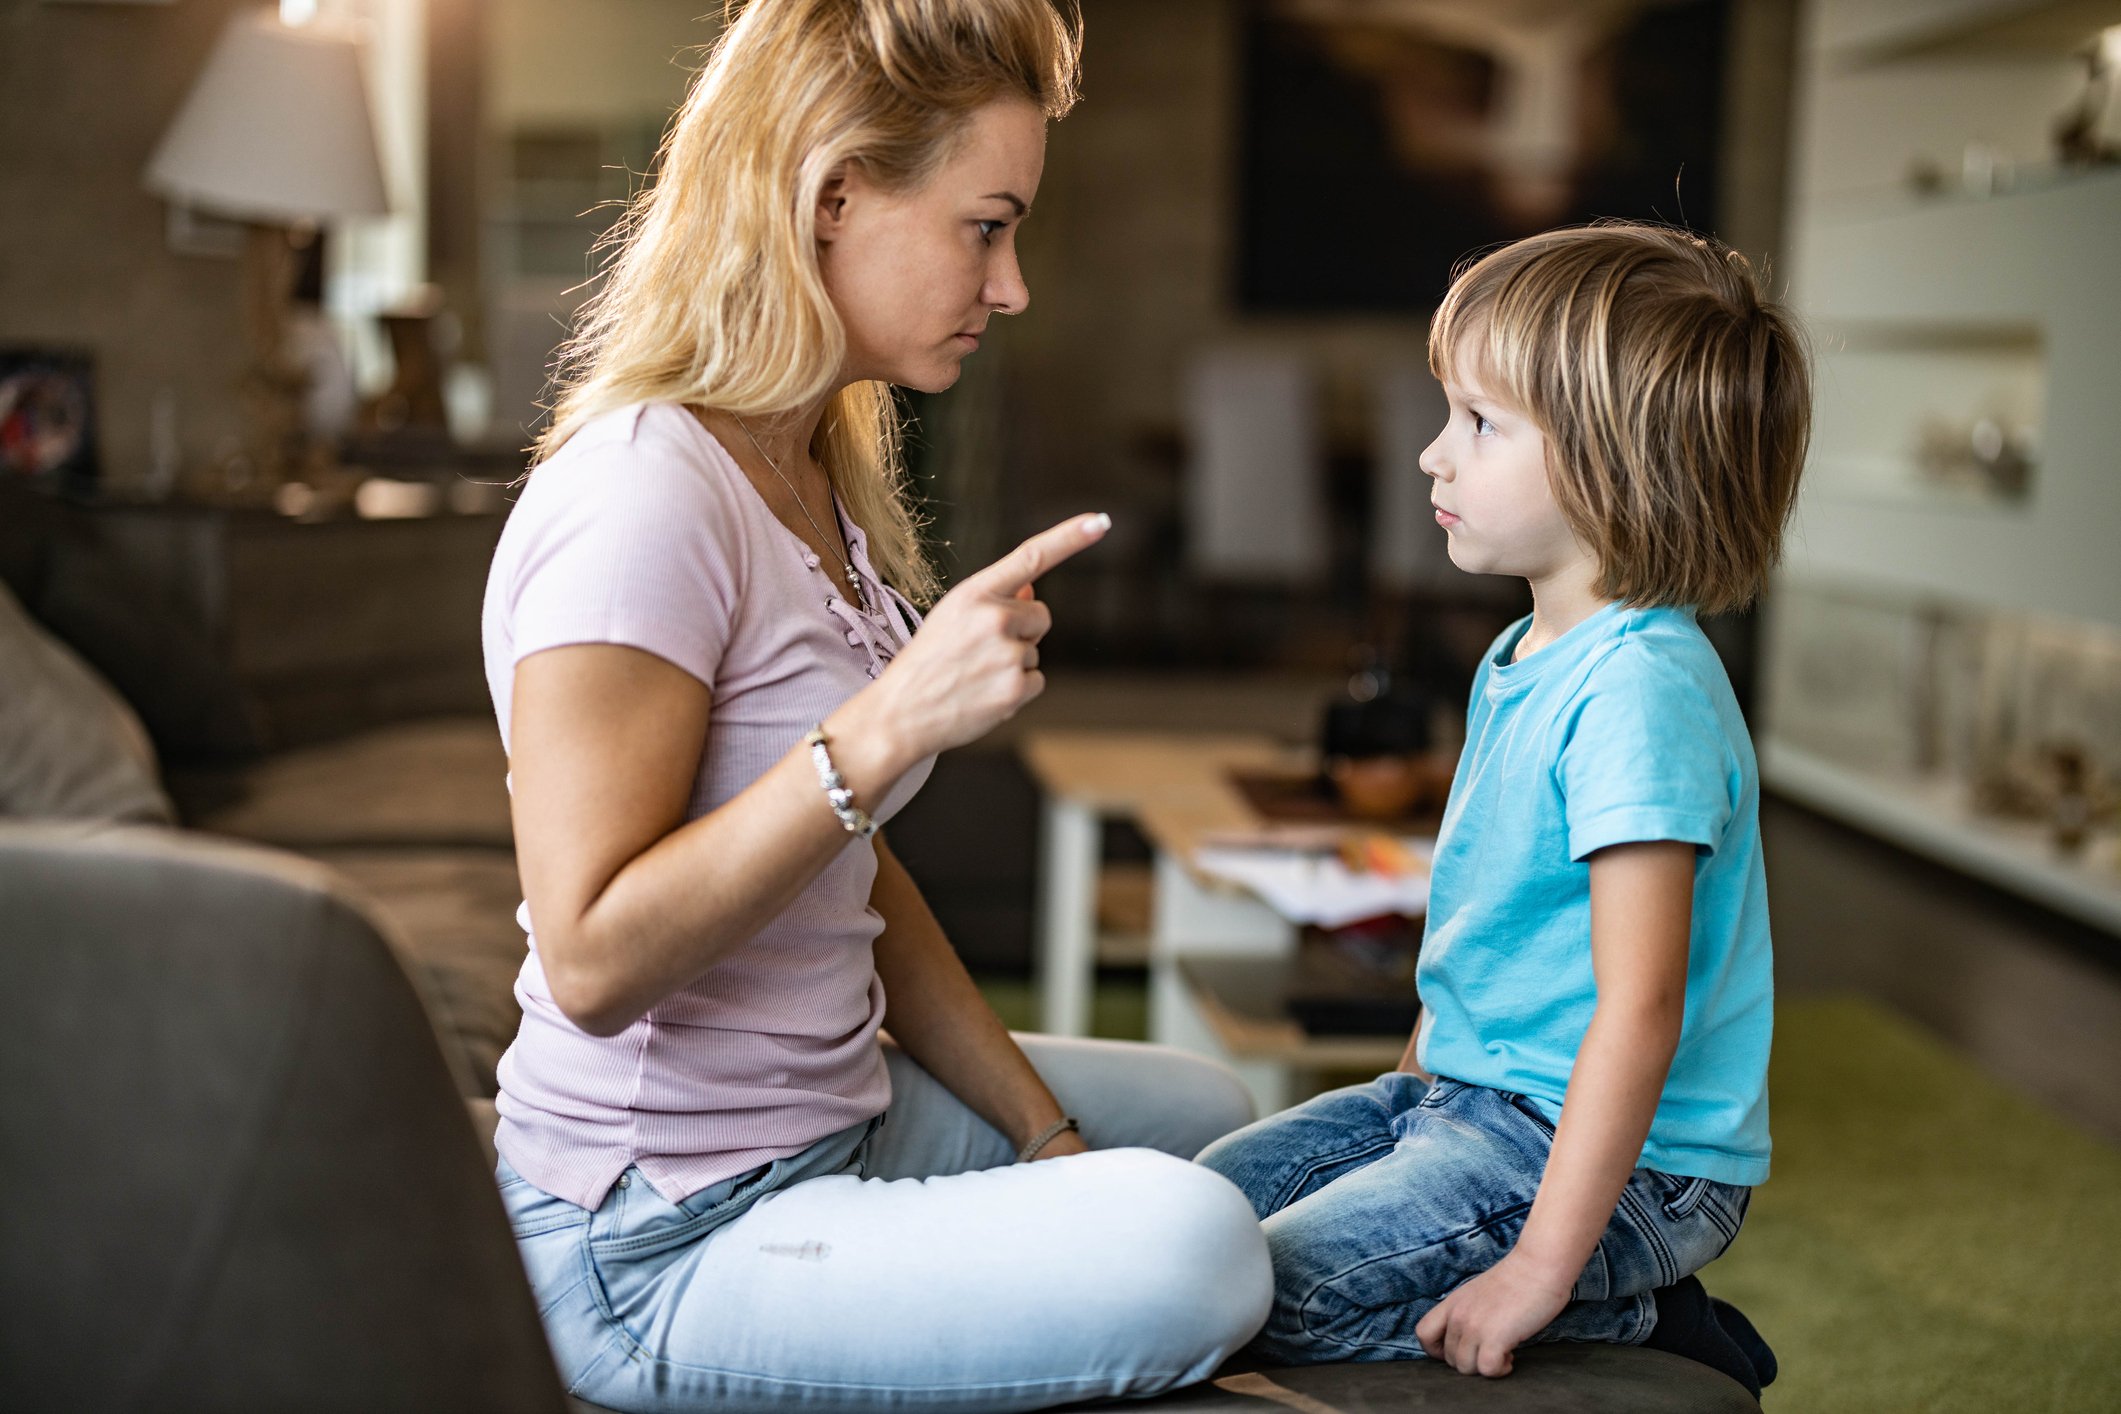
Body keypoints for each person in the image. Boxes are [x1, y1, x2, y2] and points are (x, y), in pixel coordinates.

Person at [481, 3, 1271, 1410]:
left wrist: (1041, 1136)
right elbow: (594, 958)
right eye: (987, 225)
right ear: (833, 194)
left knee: (1210, 1118)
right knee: (1201, 1238)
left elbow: (846, 870)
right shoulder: (642, 497)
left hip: (828, 1116)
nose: (1013, 283)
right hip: (656, 1232)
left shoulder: (806, 468)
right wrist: (889, 723)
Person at [1198, 222, 1811, 1397]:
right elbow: (1493, 927)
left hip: (1633, 1167)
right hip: (1463, 1101)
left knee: (1250, 1294)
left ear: (1620, 461)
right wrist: (1404, 1098)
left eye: (1479, 425)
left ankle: (1627, 1317)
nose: (1433, 457)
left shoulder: (1638, 687)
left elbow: (1641, 1006)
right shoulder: (1520, 651)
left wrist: (1540, 1266)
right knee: (1186, 1217)